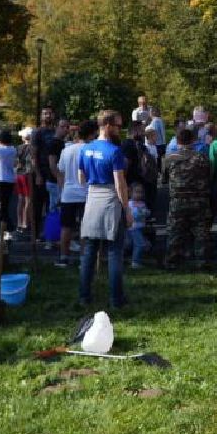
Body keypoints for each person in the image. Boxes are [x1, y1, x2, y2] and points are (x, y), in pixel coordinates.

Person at [78, 110, 130, 308]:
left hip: (92, 198)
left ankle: (84, 297)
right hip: (110, 200)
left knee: (89, 251)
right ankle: (116, 299)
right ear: (107, 125)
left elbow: (81, 177)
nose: (120, 129)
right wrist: (127, 209)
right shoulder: (114, 151)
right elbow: (120, 184)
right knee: (115, 252)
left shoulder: (85, 149)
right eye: (117, 125)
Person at [163, 126, 215, 267]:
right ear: (193, 140)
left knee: (175, 231)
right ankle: (202, 261)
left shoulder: (170, 159)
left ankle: (172, 261)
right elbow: (209, 176)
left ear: (177, 141)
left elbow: (164, 180)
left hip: (178, 200)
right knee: (201, 232)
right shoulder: (202, 158)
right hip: (200, 200)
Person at [56, 121, 90, 268]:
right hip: (85, 192)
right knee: (85, 227)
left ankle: (64, 257)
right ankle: (83, 258)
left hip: (68, 193)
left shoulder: (66, 151)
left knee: (66, 227)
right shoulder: (89, 149)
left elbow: (60, 172)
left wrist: (63, 188)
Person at [126, 186, 151, 268]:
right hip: (133, 228)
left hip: (140, 228)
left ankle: (136, 259)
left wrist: (146, 212)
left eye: (141, 192)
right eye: (137, 192)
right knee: (140, 244)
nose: (139, 194)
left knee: (141, 244)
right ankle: (135, 262)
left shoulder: (142, 204)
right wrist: (141, 212)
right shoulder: (129, 204)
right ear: (131, 193)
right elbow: (133, 215)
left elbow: (147, 213)